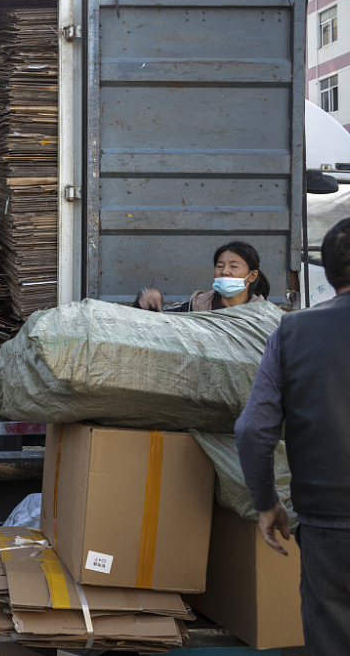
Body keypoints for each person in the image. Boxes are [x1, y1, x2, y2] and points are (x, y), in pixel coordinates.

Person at [235, 218, 350, 654]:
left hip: (328, 522)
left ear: (328, 271)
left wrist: (266, 503)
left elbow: (252, 430)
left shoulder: (293, 331)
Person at [135, 240, 271, 312]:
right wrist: (146, 301)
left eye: (234, 266)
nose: (225, 271)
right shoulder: (193, 308)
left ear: (252, 276)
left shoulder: (264, 317)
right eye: (219, 266)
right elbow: (149, 322)